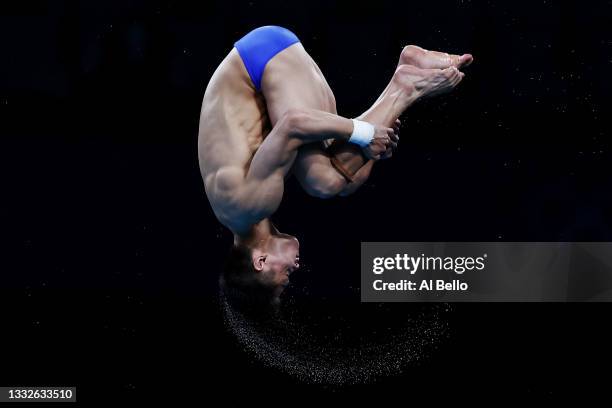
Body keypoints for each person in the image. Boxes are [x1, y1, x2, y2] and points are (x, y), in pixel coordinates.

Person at [198, 25, 473, 305]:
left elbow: (294, 122)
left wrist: (365, 133)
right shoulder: (241, 214)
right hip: (263, 62)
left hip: (261, 58)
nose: (295, 269)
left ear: (260, 261)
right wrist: (374, 145)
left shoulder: (249, 205)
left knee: (322, 179)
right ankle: (405, 79)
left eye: (285, 277)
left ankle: (405, 86)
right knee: (341, 181)